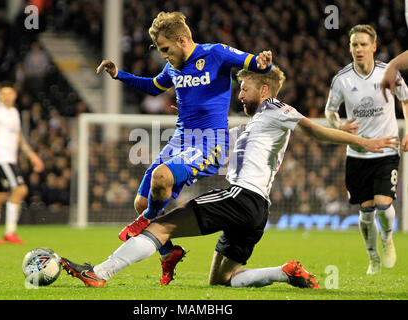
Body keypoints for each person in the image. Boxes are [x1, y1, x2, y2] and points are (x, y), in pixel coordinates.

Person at [59, 65, 398, 288]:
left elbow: (314, 130)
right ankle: (285, 272)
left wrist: (363, 141)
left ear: (264, 90)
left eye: (244, 88)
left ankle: (100, 273)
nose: (240, 94)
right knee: (221, 279)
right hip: (257, 211)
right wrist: (191, 113)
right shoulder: (250, 127)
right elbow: (217, 144)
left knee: (160, 226)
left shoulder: (277, 110)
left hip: (241, 196)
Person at [96, 11, 272, 284]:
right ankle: (168, 253)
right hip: (181, 139)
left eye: (166, 49)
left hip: (210, 141)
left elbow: (252, 62)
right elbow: (154, 86)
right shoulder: (173, 67)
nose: (163, 55)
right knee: (141, 201)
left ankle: (145, 222)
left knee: (161, 178)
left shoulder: (216, 53)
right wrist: (119, 74)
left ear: (181, 40)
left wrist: (262, 63)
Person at [324, 25, 408, 274]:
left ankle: (387, 239)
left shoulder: (387, 72)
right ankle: (373, 257)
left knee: (384, 204)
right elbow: (329, 111)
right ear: (349, 48)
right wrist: (338, 124)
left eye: (363, 44)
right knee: (366, 210)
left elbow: (405, 98)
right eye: (354, 45)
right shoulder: (342, 79)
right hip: (357, 152)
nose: (358, 49)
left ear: (374, 46)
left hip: (387, 149)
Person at [0, 86, 44, 244]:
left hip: (10, 158)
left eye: (10, 93)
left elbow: (19, 138)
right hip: (1, 158)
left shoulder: (14, 112)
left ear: (15, 95)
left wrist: (32, 156)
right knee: (21, 190)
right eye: (3, 93)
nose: (7, 96)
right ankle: (10, 231)